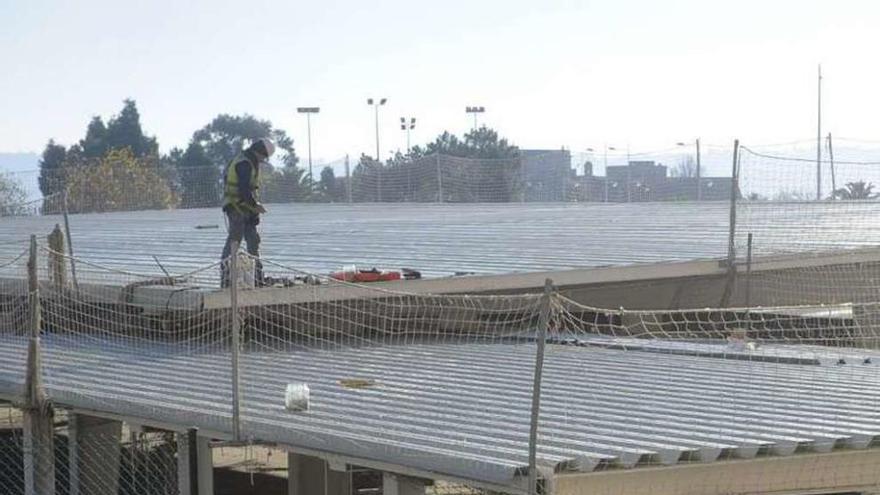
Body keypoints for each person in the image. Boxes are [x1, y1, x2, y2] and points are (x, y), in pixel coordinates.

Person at [220, 138, 275, 287]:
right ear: (259, 152)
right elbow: (244, 189)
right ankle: (226, 280)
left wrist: (253, 211)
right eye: (264, 156)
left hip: (246, 208)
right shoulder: (244, 163)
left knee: (253, 242)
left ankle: (257, 278)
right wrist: (255, 205)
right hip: (236, 206)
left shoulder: (250, 161)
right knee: (234, 241)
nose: (263, 160)